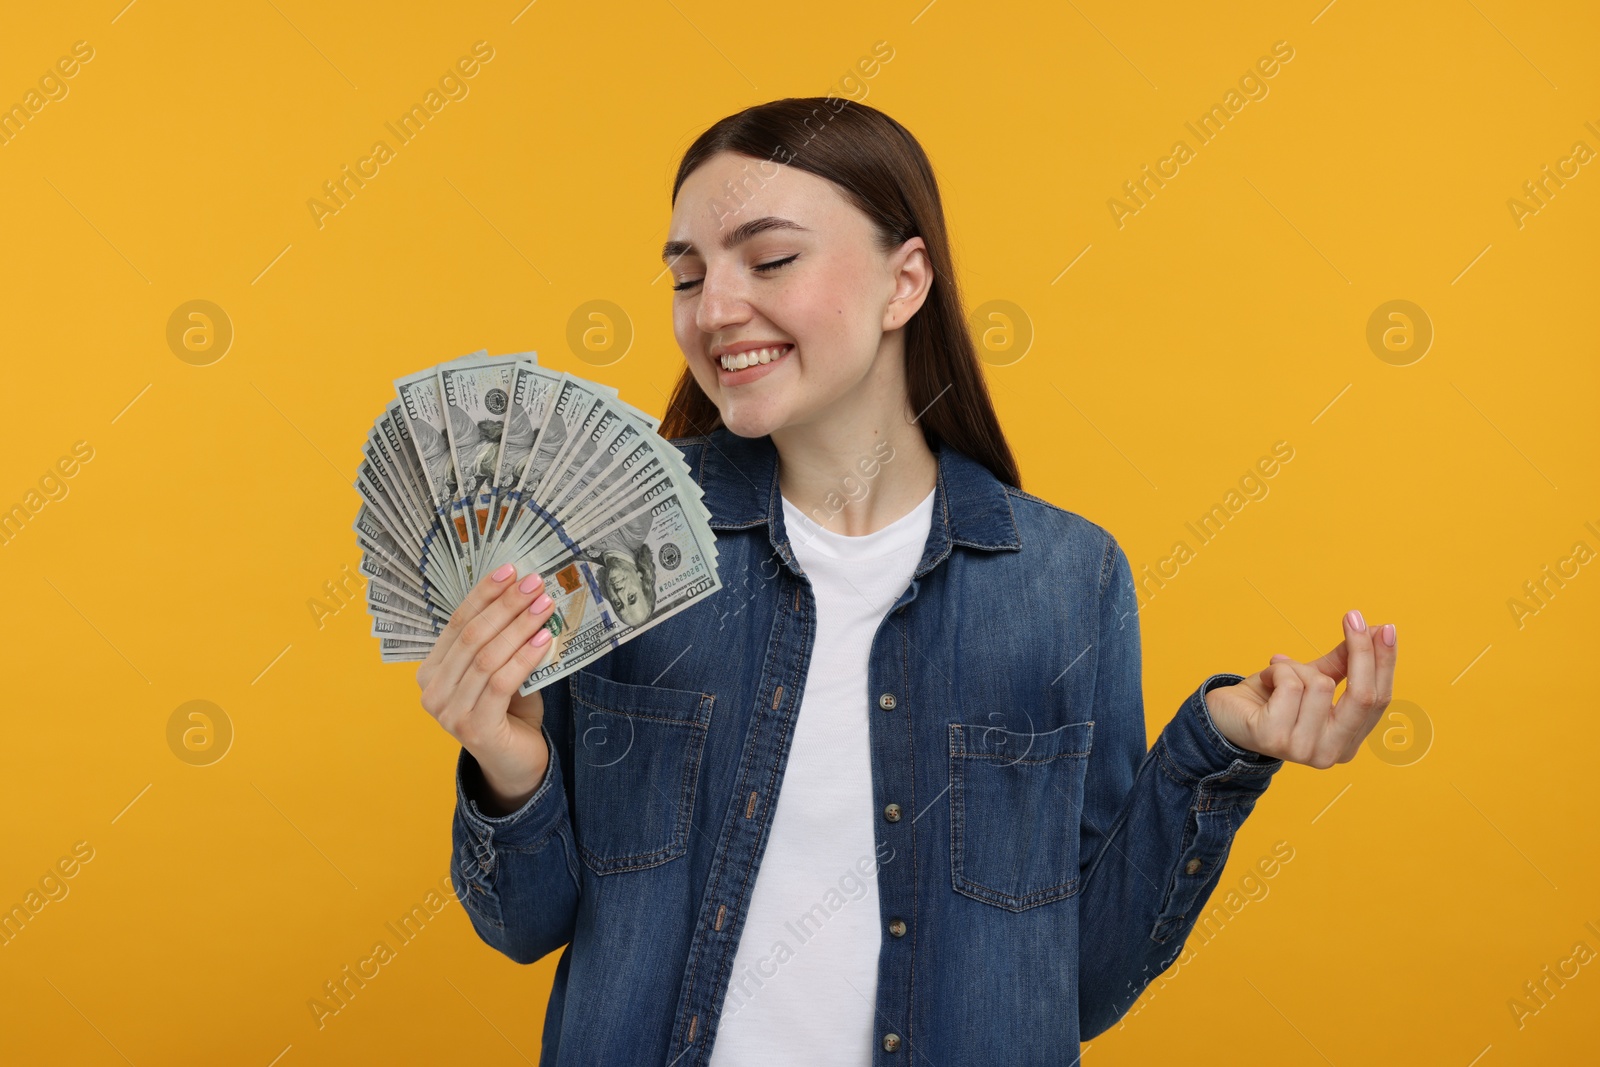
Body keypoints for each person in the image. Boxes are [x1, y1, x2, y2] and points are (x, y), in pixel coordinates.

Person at [417, 98, 1399, 1066]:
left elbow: (1083, 981)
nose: (714, 309)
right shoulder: (614, 556)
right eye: (687, 275)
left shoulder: (1065, 580)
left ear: (905, 279)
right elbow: (524, 921)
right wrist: (508, 760)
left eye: (768, 259)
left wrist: (1216, 748)